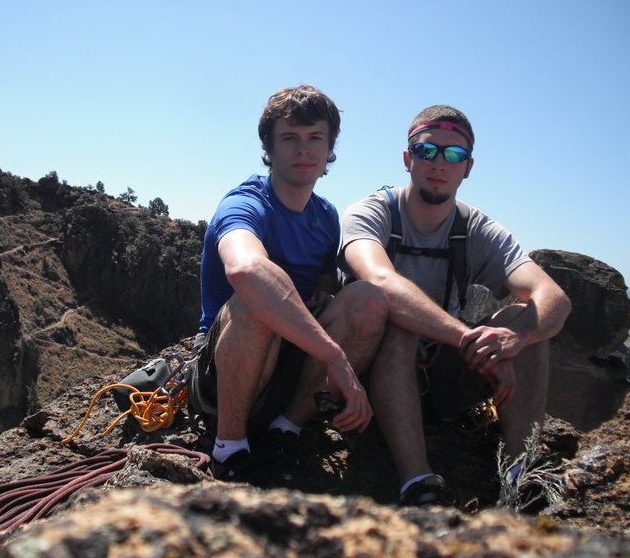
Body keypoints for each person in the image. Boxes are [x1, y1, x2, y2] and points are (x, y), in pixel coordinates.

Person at [339, 105, 571, 506]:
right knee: (400, 323)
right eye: (427, 151)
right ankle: (418, 482)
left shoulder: (476, 228)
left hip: (441, 377)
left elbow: (554, 299)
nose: (439, 164)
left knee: (520, 319)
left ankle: (522, 475)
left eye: (454, 155)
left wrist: (514, 338)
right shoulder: (372, 212)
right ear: (408, 158)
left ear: (468, 167)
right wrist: (470, 340)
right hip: (369, 375)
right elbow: (380, 281)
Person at [188, 85, 388, 487]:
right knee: (256, 300)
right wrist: (334, 357)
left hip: (289, 362)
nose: (304, 149)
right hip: (228, 366)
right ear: (270, 147)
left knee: (368, 299)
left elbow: (326, 283)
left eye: (316, 137)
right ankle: (229, 447)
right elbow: (245, 269)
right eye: (290, 138)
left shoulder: (325, 216)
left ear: (330, 147)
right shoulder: (246, 204)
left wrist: (325, 295)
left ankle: (286, 429)